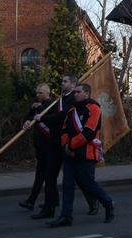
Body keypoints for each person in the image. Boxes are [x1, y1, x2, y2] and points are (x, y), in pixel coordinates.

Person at [46, 83, 115, 227]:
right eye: (75, 92)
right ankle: (66, 216)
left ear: (87, 93)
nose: (75, 94)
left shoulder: (94, 108)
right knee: (67, 185)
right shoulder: (71, 110)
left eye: (78, 92)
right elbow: (64, 130)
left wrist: (71, 145)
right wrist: (65, 145)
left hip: (86, 153)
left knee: (89, 183)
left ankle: (108, 204)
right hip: (70, 155)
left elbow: (89, 132)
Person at [38, 74, 98, 219]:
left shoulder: (74, 99)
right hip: (55, 142)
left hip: (70, 144)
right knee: (50, 175)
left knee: (80, 177)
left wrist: (42, 118)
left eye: (65, 81)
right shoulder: (60, 99)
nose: (62, 83)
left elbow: (62, 116)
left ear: (73, 85)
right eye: (62, 81)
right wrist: (35, 114)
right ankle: (49, 208)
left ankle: (93, 202)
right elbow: (51, 112)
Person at [19, 83, 56, 215]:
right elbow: (31, 118)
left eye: (40, 93)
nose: (37, 95)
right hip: (39, 143)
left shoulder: (52, 104)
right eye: (36, 93)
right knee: (46, 174)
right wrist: (28, 118)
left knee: (42, 174)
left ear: (47, 93)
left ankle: (31, 201)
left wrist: (39, 107)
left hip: (49, 144)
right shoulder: (37, 105)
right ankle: (53, 200)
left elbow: (48, 118)